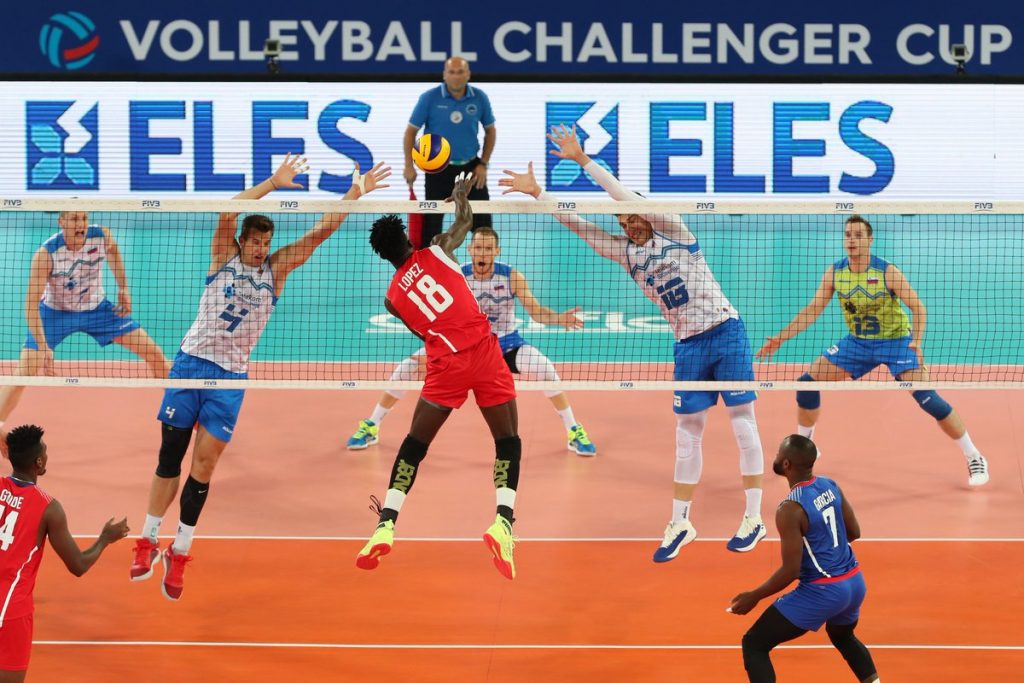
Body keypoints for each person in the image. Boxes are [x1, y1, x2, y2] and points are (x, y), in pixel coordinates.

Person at [129, 155, 391, 601]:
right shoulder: (222, 257)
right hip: (191, 363)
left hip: (230, 378)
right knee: (170, 453)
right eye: (253, 242)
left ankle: (182, 549)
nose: (259, 249)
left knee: (205, 466)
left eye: (265, 242)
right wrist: (273, 182)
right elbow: (227, 211)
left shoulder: (277, 270)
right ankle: (148, 539)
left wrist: (353, 195)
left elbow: (321, 233)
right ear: (242, 240)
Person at [500, 125, 766, 560]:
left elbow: (621, 195)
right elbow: (580, 227)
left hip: (725, 332)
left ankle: (754, 517)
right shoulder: (626, 252)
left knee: (742, 423)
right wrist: (538, 195)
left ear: (645, 213)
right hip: (688, 346)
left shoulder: (675, 231)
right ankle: (680, 521)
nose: (627, 225)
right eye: (622, 223)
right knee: (687, 435)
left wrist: (584, 161)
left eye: (631, 217)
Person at [359, 173, 520, 579]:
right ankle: (503, 522)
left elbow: (423, 330)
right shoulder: (437, 250)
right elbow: (465, 221)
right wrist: (462, 195)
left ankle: (386, 523)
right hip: (484, 354)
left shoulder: (392, 299)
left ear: (383, 256)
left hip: (445, 366)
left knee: (414, 444)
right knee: (507, 441)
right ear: (408, 241)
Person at [756, 215, 988, 487]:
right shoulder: (835, 272)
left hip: (896, 341)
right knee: (807, 383)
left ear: (869, 240)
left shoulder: (887, 271)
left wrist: (917, 341)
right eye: (847, 235)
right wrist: (781, 338)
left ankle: (974, 455)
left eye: (857, 235)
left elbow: (918, 308)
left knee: (928, 398)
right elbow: (813, 310)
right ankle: (806, 446)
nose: (851, 240)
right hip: (858, 343)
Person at [347, 226, 597, 456]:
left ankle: (573, 430)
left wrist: (558, 319)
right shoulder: (457, 272)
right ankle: (372, 424)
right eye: (478, 248)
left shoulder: (511, 276)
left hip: (506, 345)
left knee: (546, 369)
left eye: (488, 249)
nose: (483, 253)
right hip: (459, 347)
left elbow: (536, 312)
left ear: (497, 251)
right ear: (470, 249)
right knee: (405, 368)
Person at [0, 212, 170, 455]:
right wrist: (43, 346)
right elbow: (30, 305)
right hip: (55, 314)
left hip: (97, 310)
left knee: (153, 352)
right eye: (73, 219)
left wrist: (123, 287)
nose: (80, 224)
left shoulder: (100, 236)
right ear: (62, 222)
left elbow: (114, 253)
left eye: (83, 218)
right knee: (24, 372)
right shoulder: (46, 254)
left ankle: (179, 410)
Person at [729, 435, 880, 683]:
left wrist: (753, 596)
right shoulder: (830, 485)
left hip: (823, 591)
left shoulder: (789, 509)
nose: (775, 457)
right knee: (843, 637)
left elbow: (791, 571)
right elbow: (854, 532)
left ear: (786, 464)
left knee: (755, 644)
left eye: (778, 453)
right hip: (854, 583)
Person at [0, 425, 128, 682]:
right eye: (45, 452)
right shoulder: (49, 508)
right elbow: (78, 565)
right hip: (11, 613)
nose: (47, 455)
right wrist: (105, 539)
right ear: (38, 462)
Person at [404, 56, 495, 246]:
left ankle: (485, 267)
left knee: (484, 226)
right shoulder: (429, 98)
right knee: (431, 228)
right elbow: (411, 132)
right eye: (451, 72)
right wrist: (409, 165)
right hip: (437, 169)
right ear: (445, 74)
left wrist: (483, 164)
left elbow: (490, 131)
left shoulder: (479, 98)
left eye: (460, 72)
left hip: (471, 169)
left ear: (468, 74)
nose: (456, 76)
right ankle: (429, 271)